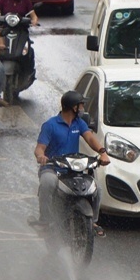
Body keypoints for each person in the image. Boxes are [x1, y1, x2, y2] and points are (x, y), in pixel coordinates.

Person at [31, 90, 107, 227]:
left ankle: (93, 222)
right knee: (48, 183)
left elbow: (89, 138)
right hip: (52, 168)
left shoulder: (79, 123)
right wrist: (41, 156)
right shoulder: (50, 125)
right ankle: (45, 220)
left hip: (73, 169)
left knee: (97, 188)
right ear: (74, 107)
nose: (83, 109)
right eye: (81, 105)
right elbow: (39, 148)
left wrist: (103, 152)